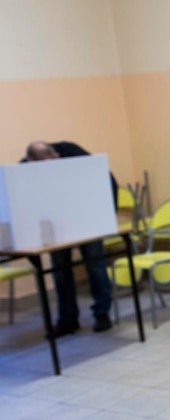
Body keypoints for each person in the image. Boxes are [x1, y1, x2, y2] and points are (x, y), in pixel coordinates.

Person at [23, 141, 116, 336]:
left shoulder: (73, 153)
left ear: (57, 156)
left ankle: (102, 314)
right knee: (59, 271)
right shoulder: (25, 168)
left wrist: (108, 215)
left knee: (95, 266)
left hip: (88, 218)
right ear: (31, 162)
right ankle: (67, 319)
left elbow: (106, 179)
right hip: (56, 226)